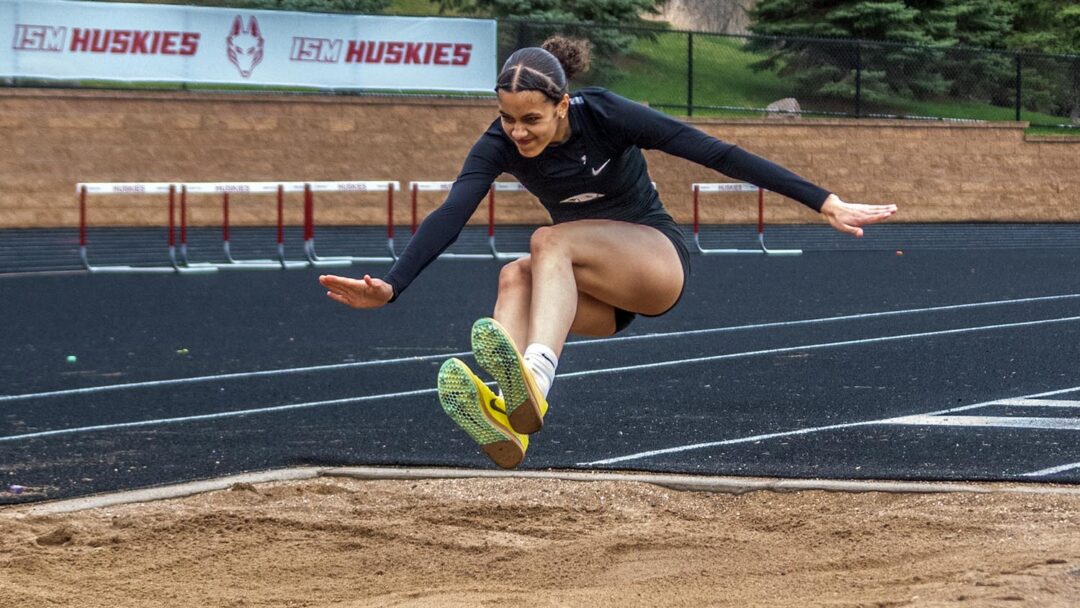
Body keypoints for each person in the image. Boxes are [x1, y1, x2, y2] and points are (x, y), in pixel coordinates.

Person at [319, 36, 898, 470]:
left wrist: (822, 201)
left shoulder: (607, 114)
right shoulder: (498, 143)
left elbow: (716, 152)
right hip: (593, 296)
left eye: (531, 120)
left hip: (654, 264)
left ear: (563, 105)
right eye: (507, 118)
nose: (517, 132)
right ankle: (508, 415)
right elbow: (452, 212)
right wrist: (392, 285)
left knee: (547, 240)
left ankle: (535, 379)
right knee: (514, 276)